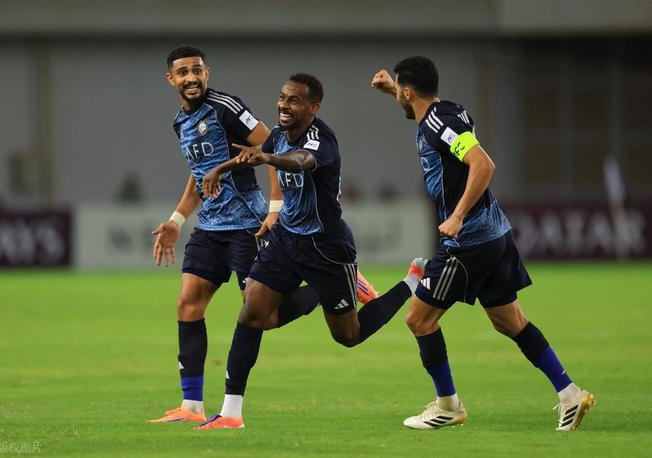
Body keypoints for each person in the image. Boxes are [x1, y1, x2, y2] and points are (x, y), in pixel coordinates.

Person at [149, 46, 378, 424]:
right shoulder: (181, 121)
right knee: (187, 304)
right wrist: (176, 219)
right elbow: (201, 171)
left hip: (247, 224)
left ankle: (328, 286)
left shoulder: (225, 107)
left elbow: (270, 144)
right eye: (183, 72)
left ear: (207, 73)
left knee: (262, 316)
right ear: (171, 79)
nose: (191, 78)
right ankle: (191, 406)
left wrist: (274, 208)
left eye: (197, 71)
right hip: (210, 226)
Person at [371, 57, 594, 432]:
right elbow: (438, 126)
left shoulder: (438, 123)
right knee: (510, 321)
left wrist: (457, 215)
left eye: (399, 90)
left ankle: (448, 406)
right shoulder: (446, 112)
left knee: (419, 320)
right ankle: (570, 393)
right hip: (494, 234)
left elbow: (483, 164)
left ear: (409, 92)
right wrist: (393, 89)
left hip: (468, 241)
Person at [194, 73, 426, 429]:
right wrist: (220, 168)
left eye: (294, 100)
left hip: (326, 250)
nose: (284, 105)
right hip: (286, 240)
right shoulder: (277, 134)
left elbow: (301, 161)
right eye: (282, 97)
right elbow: (255, 156)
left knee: (348, 336)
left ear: (313, 107)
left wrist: (269, 158)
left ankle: (411, 282)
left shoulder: (322, 140)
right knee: (253, 313)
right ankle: (230, 413)